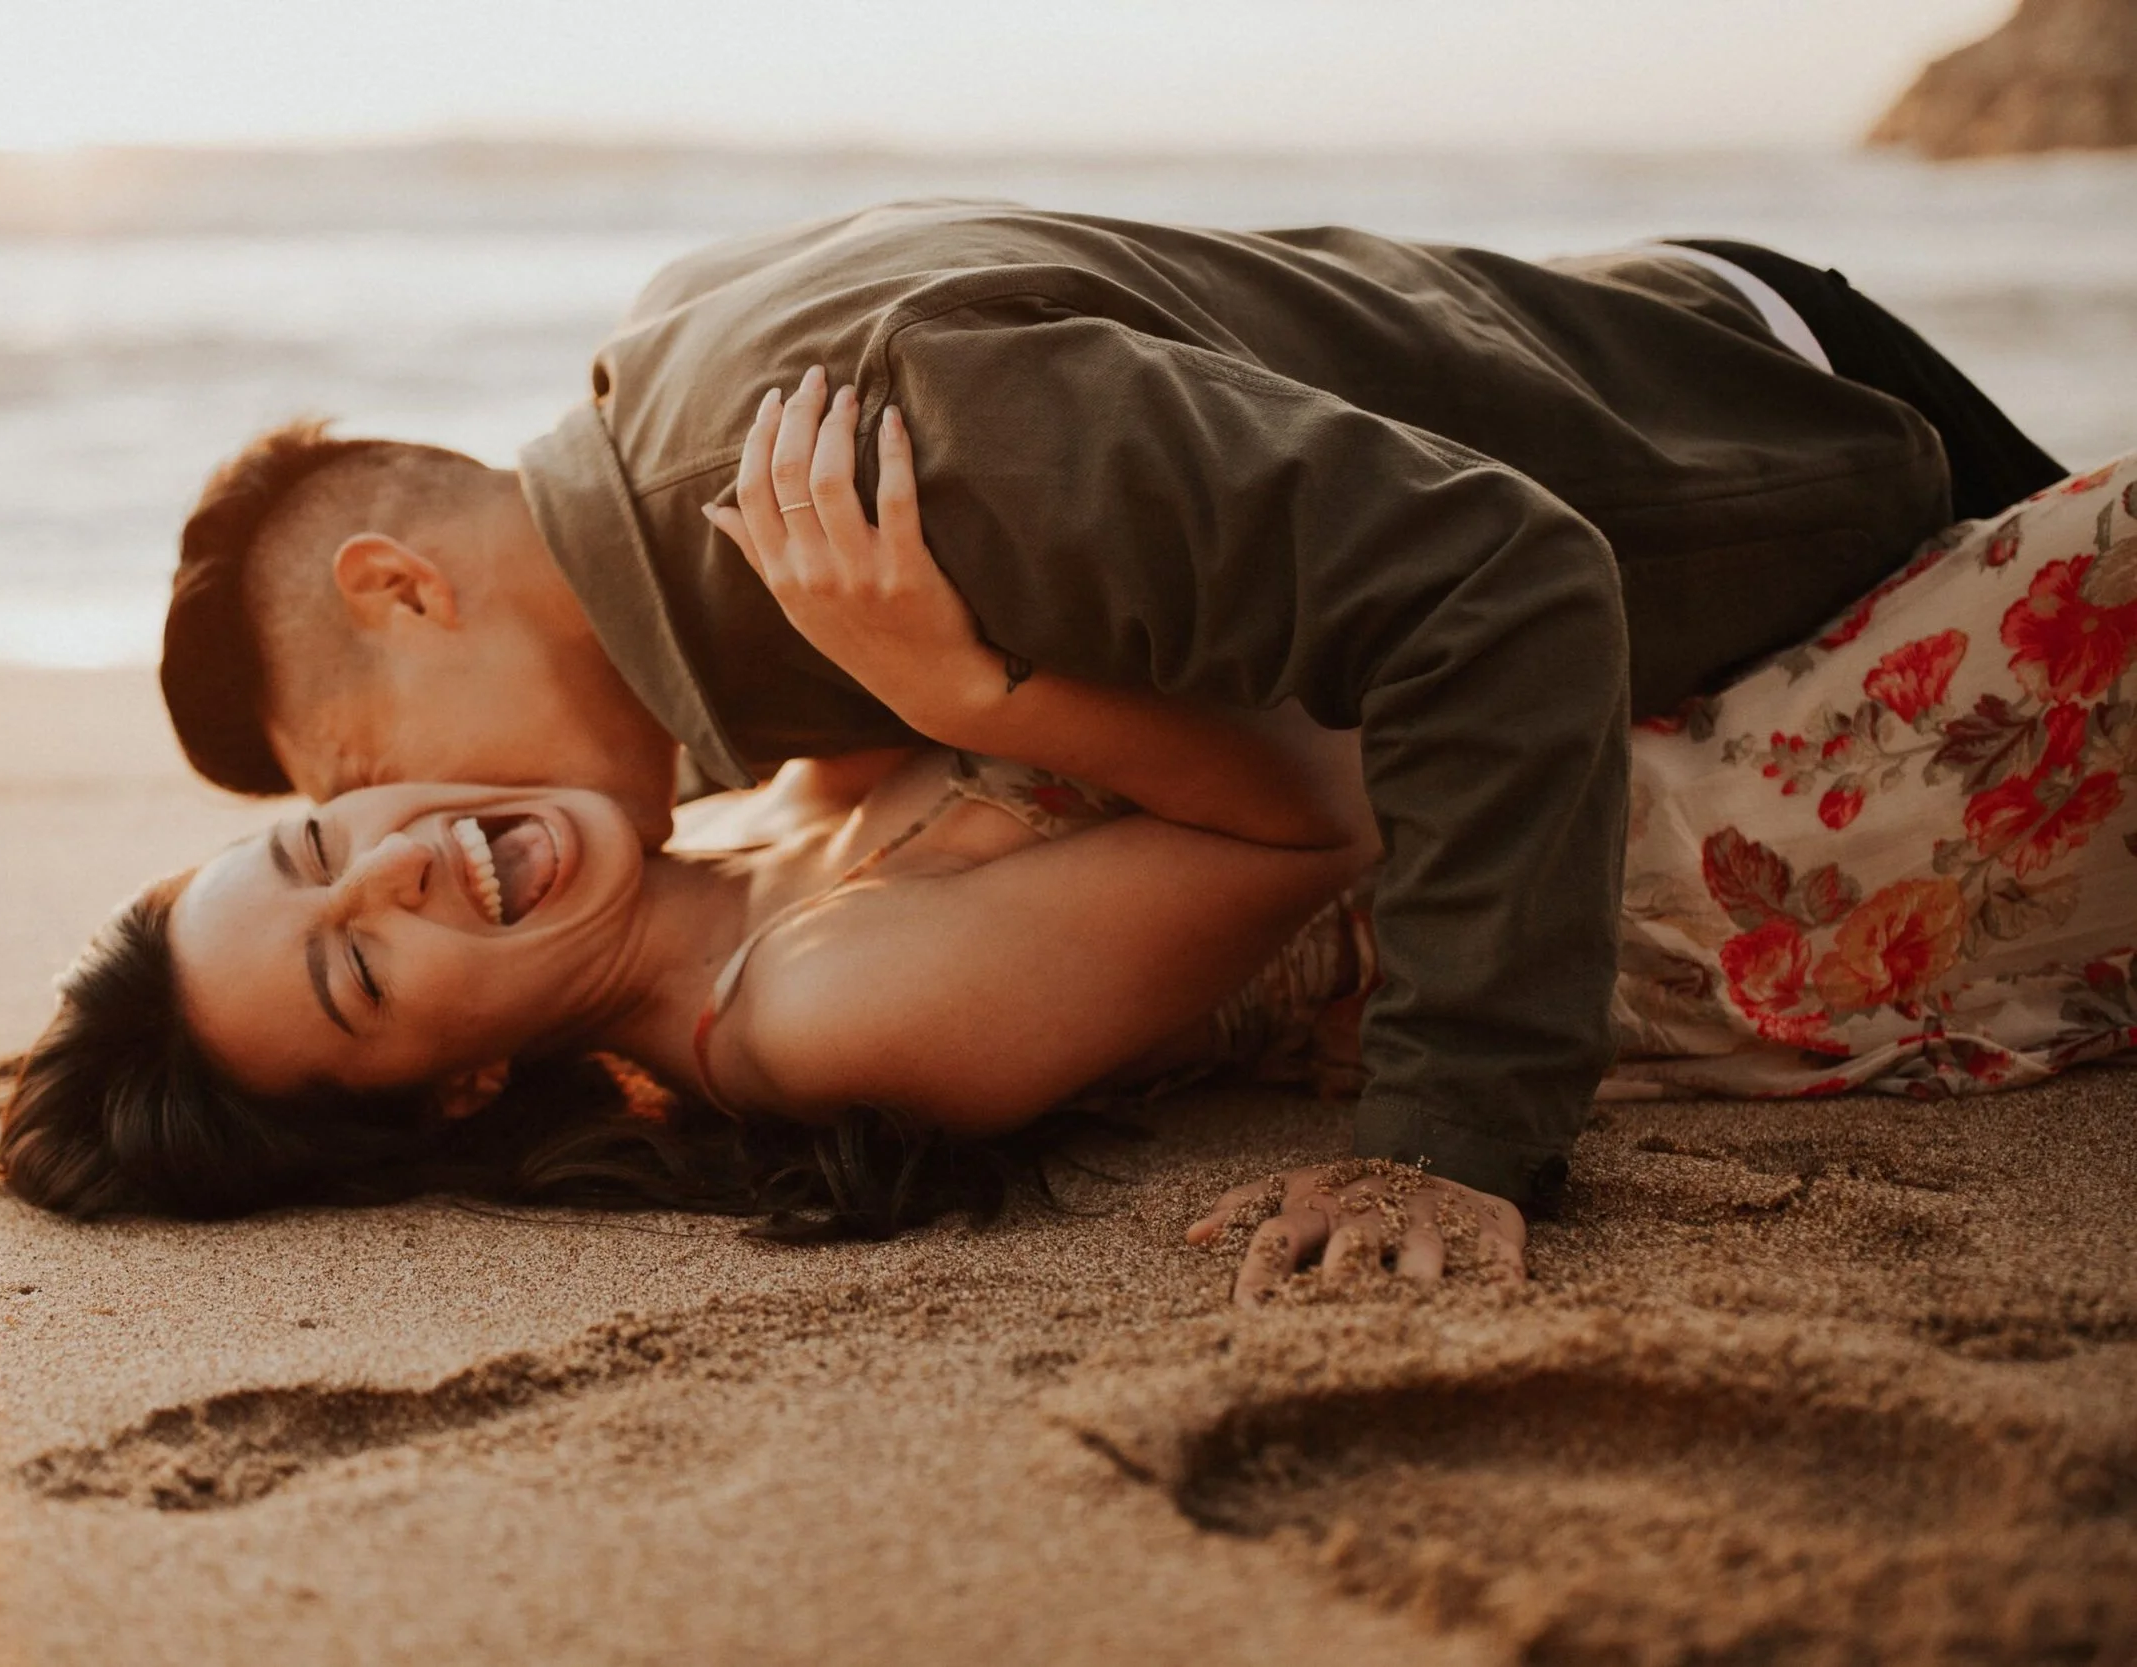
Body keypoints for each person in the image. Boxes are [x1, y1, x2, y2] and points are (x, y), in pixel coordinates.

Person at [155, 203, 2066, 1249]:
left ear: (403, 589)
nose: (424, 823)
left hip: (1766, 448)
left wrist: (1457, 1135)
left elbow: (1510, 584)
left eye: (350, 784)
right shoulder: (697, 398)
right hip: (1644, 327)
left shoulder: (876, 468)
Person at [8, 443, 2137, 1301]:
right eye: (361, 973)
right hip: (1738, 849)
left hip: (1625, 691)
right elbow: (1312, 818)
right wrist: (968, 673)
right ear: (462, 1092)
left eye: (322, 838)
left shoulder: (752, 816)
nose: (405, 866)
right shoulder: (817, 1010)